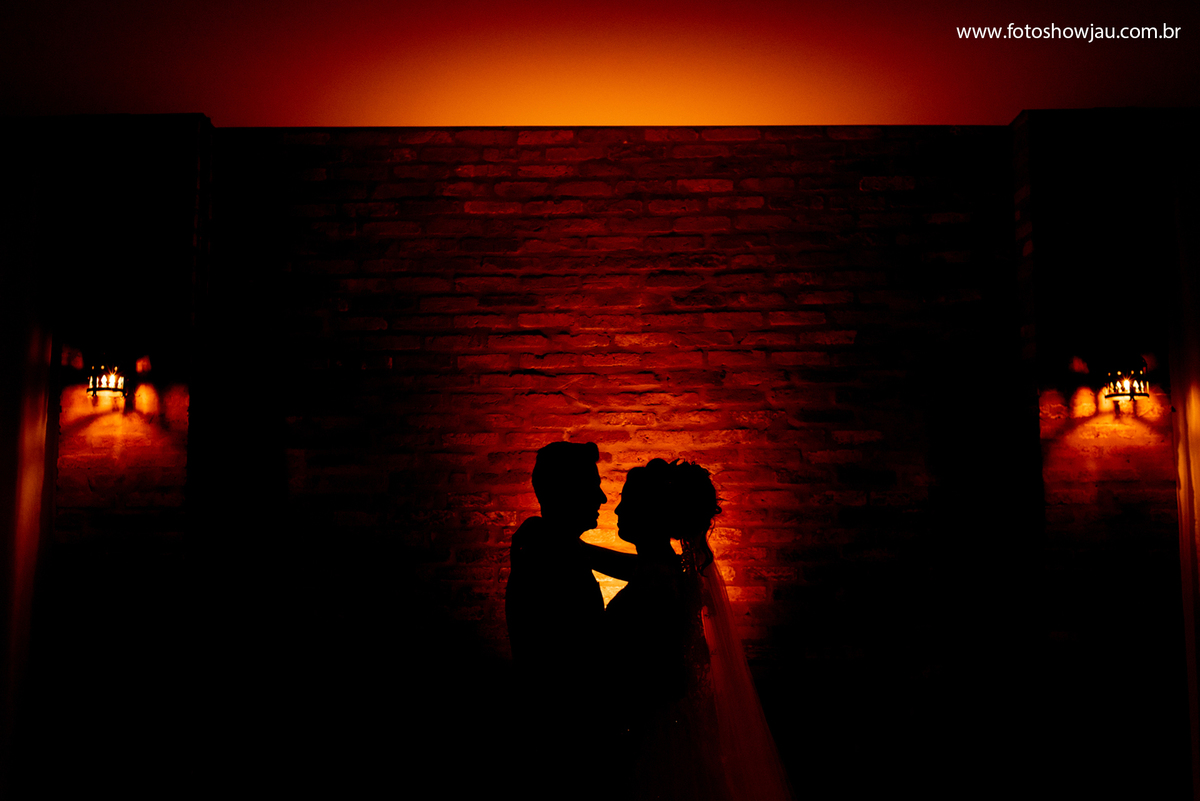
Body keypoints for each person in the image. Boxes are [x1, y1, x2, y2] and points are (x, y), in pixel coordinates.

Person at [605, 458, 794, 801]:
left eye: (626, 501)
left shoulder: (659, 581)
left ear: (651, 514)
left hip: (650, 731)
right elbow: (635, 567)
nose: (616, 510)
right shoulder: (669, 569)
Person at [504, 441, 634, 798]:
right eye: (593, 486)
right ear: (566, 492)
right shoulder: (545, 554)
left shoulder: (554, 547)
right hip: (565, 738)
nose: (602, 499)